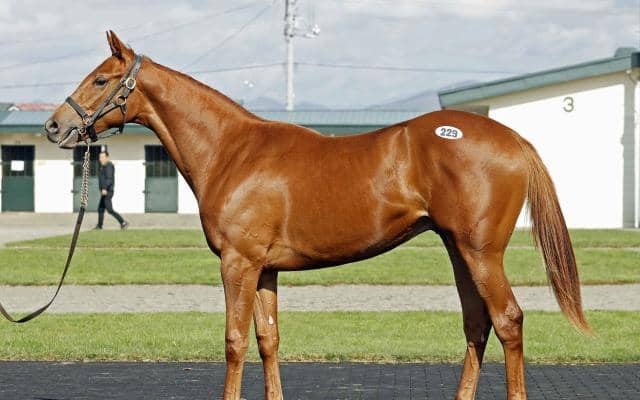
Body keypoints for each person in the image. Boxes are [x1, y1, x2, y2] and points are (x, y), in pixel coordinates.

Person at [95, 150, 129, 230]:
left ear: (107, 158)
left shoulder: (109, 166)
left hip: (108, 191)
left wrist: (104, 188)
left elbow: (109, 179)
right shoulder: (103, 166)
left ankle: (123, 222)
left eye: (102, 157)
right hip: (105, 191)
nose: (101, 159)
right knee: (100, 209)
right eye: (100, 157)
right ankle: (99, 226)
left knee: (109, 210)